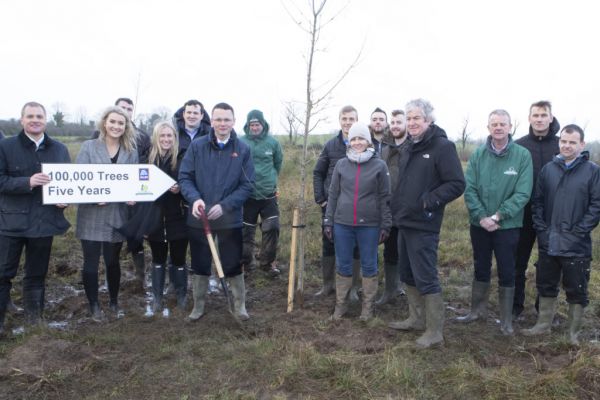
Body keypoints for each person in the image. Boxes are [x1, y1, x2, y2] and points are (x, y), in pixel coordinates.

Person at [387, 99, 465, 348]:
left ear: (428, 121)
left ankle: (434, 332)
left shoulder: (443, 147)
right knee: (407, 272)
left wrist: (427, 202)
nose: (411, 123)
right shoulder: (410, 146)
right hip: (404, 221)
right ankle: (416, 318)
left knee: (426, 275)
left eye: (416, 118)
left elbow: (456, 184)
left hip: (424, 223)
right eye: (409, 119)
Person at [522, 125, 600, 344]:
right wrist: (542, 229)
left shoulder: (593, 172)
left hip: (577, 245)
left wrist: (578, 231)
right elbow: (537, 202)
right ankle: (542, 325)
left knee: (577, 289)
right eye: (564, 141)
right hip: (549, 241)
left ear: (582, 145)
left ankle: (572, 334)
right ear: (559, 142)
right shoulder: (549, 169)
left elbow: (596, 206)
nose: (567, 145)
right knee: (545, 284)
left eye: (572, 142)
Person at [457, 109, 532, 335]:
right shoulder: (479, 154)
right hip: (479, 224)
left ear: (510, 127)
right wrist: (481, 217)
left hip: (507, 226)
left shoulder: (522, 156)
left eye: (502, 124)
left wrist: (498, 215)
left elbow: (523, 192)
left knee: (508, 269)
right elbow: (469, 189)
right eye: (494, 124)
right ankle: (477, 311)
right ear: (488, 127)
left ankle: (506, 320)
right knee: (481, 265)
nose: (498, 127)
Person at [0, 102, 71, 335]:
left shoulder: (59, 149)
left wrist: (65, 198)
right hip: (12, 223)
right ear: (21, 120)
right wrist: (27, 182)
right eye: (30, 116)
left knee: (36, 274)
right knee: (3, 274)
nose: (35, 120)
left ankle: (34, 321)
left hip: (44, 222)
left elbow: (66, 183)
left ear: (46, 120)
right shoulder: (5, 146)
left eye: (39, 116)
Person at [179, 102, 254, 321]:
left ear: (233, 121)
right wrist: (194, 199)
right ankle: (198, 306)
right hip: (199, 218)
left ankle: (239, 305)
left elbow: (247, 185)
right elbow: (185, 177)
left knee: (232, 262)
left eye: (226, 119)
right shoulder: (197, 147)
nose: (222, 123)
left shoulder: (242, 150)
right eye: (218, 119)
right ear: (211, 121)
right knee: (200, 263)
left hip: (229, 219)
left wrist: (225, 206)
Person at [324, 122, 392, 321]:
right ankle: (340, 306)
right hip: (342, 224)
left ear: (368, 141)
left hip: (369, 225)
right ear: (349, 141)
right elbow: (333, 194)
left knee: (369, 265)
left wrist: (385, 224)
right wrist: (328, 220)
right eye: (353, 139)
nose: (357, 142)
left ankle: (367, 308)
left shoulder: (379, 165)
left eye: (361, 138)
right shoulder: (341, 165)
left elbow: (385, 197)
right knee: (343, 265)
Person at [76, 106, 138, 321]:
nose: (116, 126)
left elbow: (134, 181)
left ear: (126, 126)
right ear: (104, 123)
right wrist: (93, 197)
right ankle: (94, 305)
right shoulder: (89, 147)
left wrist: (133, 195)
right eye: (112, 122)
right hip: (91, 215)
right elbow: (78, 180)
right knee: (91, 263)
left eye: (121, 123)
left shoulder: (131, 151)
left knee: (112, 262)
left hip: (117, 215)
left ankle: (113, 301)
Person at [91, 97, 151, 293]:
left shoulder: (141, 136)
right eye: (121, 108)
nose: (125, 111)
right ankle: (111, 277)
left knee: (135, 238)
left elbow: (146, 165)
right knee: (110, 241)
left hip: (131, 197)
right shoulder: (97, 135)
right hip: (107, 199)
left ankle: (141, 277)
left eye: (128, 109)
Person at [513, 101, 560, 318]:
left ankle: (544, 311)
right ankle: (514, 307)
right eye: (535, 115)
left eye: (544, 115)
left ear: (551, 118)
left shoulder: (562, 146)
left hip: (552, 216)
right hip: (522, 214)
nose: (539, 119)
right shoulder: (519, 146)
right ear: (529, 118)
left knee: (548, 263)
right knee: (517, 261)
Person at [313, 105, 362, 300]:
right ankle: (327, 285)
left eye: (352, 119)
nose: (348, 122)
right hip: (331, 206)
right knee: (329, 243)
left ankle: (353, 288)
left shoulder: (363, 144)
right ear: (339, 120)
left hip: (356, 207)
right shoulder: (330, 146)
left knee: (356, 246)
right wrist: (321, 200)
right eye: (345, 119)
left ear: (357, 120)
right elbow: (318, 172)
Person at [144, 121, 188, 313]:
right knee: (158, 258)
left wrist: (180, 189)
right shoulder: (146, 159)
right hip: (154, 218)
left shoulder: (183, 159)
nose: (166, 139)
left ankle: (181, 294)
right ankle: (157, 297)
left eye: (169, 136)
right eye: (162, 136)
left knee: (178, 258)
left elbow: (190, 184)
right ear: (156, 137)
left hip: (178, 217)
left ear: (174, 138)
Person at [240, 110, 283, 276]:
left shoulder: (272, 143)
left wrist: (270, 180)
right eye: (252, 124)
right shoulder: (241, 142)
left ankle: (267, 262)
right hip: (247, 195)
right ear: (247, 126)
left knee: (272, 227)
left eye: (257, 124)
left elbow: (278, 164)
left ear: (263, 125)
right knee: (245, 232)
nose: (255, 127)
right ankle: (245, 263)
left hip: (268, 194)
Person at [376, 109, 409, 305]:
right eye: (393, 122)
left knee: (408, 251)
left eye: (399, 122)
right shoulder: (385, 148)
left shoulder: (412, 147)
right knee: (389, 250)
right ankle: (389, 290)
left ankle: (406, 289)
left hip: (407, 209)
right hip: (388, 208)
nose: (396, 125)